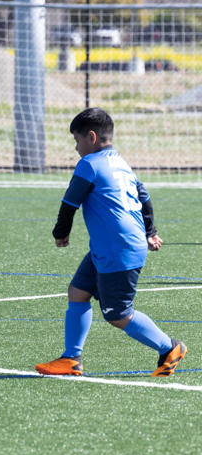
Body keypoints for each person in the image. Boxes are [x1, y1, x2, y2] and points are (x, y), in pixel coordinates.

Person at [35, 107, 187, 377]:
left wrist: (61, 233)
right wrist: (150, 231)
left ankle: (170, 347)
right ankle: (71, 359)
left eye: (77, 140)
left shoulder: (88, 164)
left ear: (91, 137)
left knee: (117, 314)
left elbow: (69, 203)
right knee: (78, 292)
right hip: (111, 247)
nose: (76, 147)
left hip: (118, 249)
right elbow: (145, 197)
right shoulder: (120, 162)